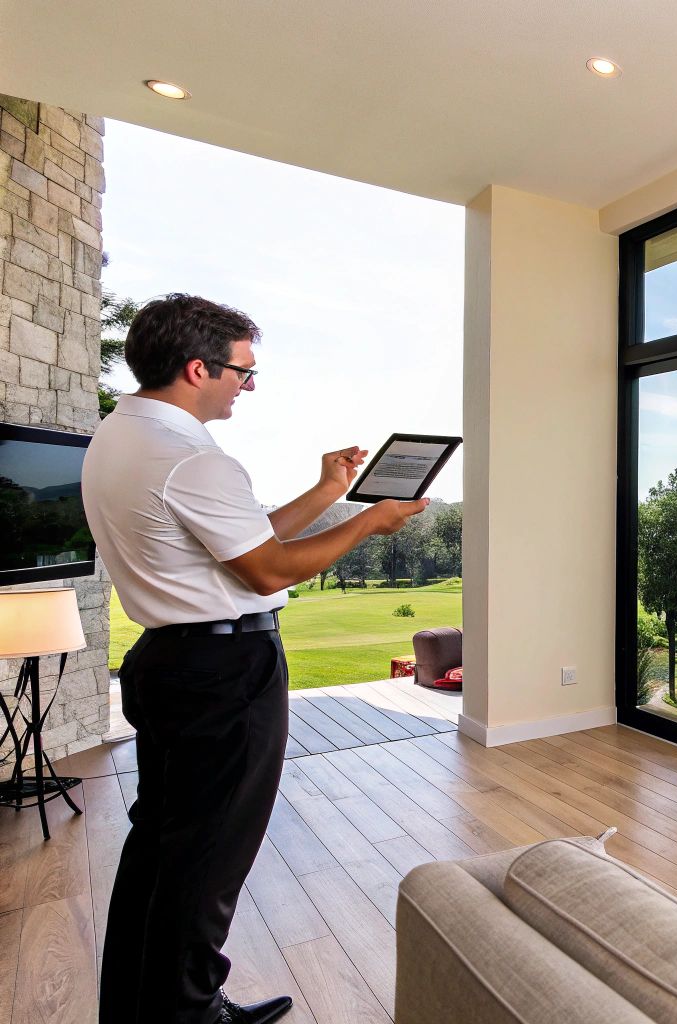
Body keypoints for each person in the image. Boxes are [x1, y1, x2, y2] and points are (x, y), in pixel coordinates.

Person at [84, 294, 429, 1024]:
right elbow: (268, 571)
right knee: (209, 860)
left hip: (167, 662)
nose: (247, 385)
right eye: (244, 371)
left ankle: (147, 1005)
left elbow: (242, 538)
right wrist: (370, 520)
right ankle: (191, 1016)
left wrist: (329, 493)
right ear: (198, 366)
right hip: (224, 675)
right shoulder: (191, 459)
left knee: (162, 846)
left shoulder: (120, 439)